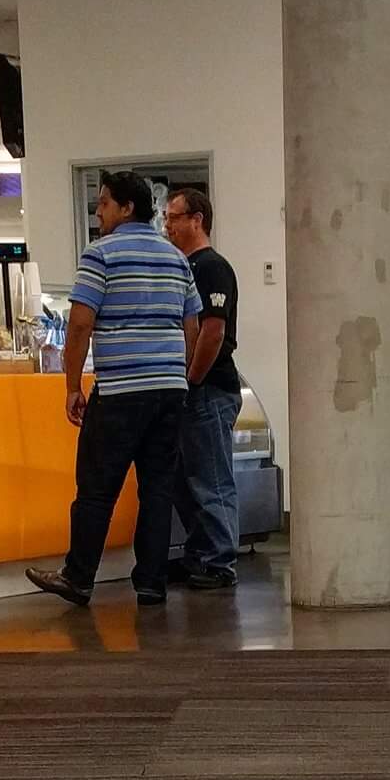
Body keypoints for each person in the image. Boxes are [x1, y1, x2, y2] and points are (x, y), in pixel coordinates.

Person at [27, 170, 199, 609]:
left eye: (103, 203)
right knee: (157, 490)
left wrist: (71, 387)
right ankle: (151, 584)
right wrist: (179, 373)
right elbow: (191, 324)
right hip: (168, 390)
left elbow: (81, 322)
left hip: (121, 390)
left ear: (126, 208)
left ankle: (79, 577)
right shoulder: (176, 258)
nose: (98, 211)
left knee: (96, 489)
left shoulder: (100, 254)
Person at [162, 185, 244, 591]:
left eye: (174, 218)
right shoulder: (182, 267)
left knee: (211, 477)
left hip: (209, 389)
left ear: (197, 220)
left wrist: (191, 382)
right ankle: (200, 553)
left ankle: (219, 561)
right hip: (188, 389)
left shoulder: (212, 267)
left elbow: (213, 331)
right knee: (186, 479)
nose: (168, 226)